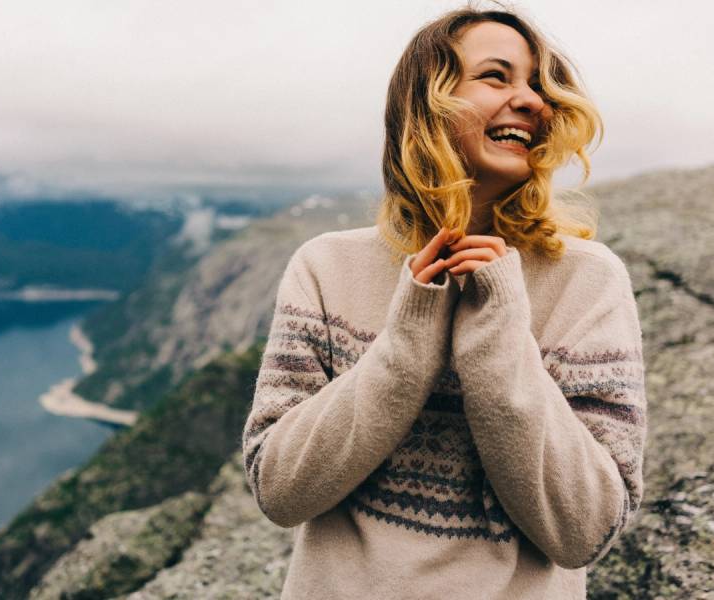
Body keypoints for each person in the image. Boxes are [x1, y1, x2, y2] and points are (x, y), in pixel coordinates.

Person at [242, 5, 647, 599]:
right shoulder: (325, 267)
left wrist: (502, 337)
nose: (532, 100)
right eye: (496, 76)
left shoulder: (587, 280)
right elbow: (280, 491)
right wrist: (406, 343)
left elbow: (586, 532)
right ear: (425, 104)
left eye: (539, 84)